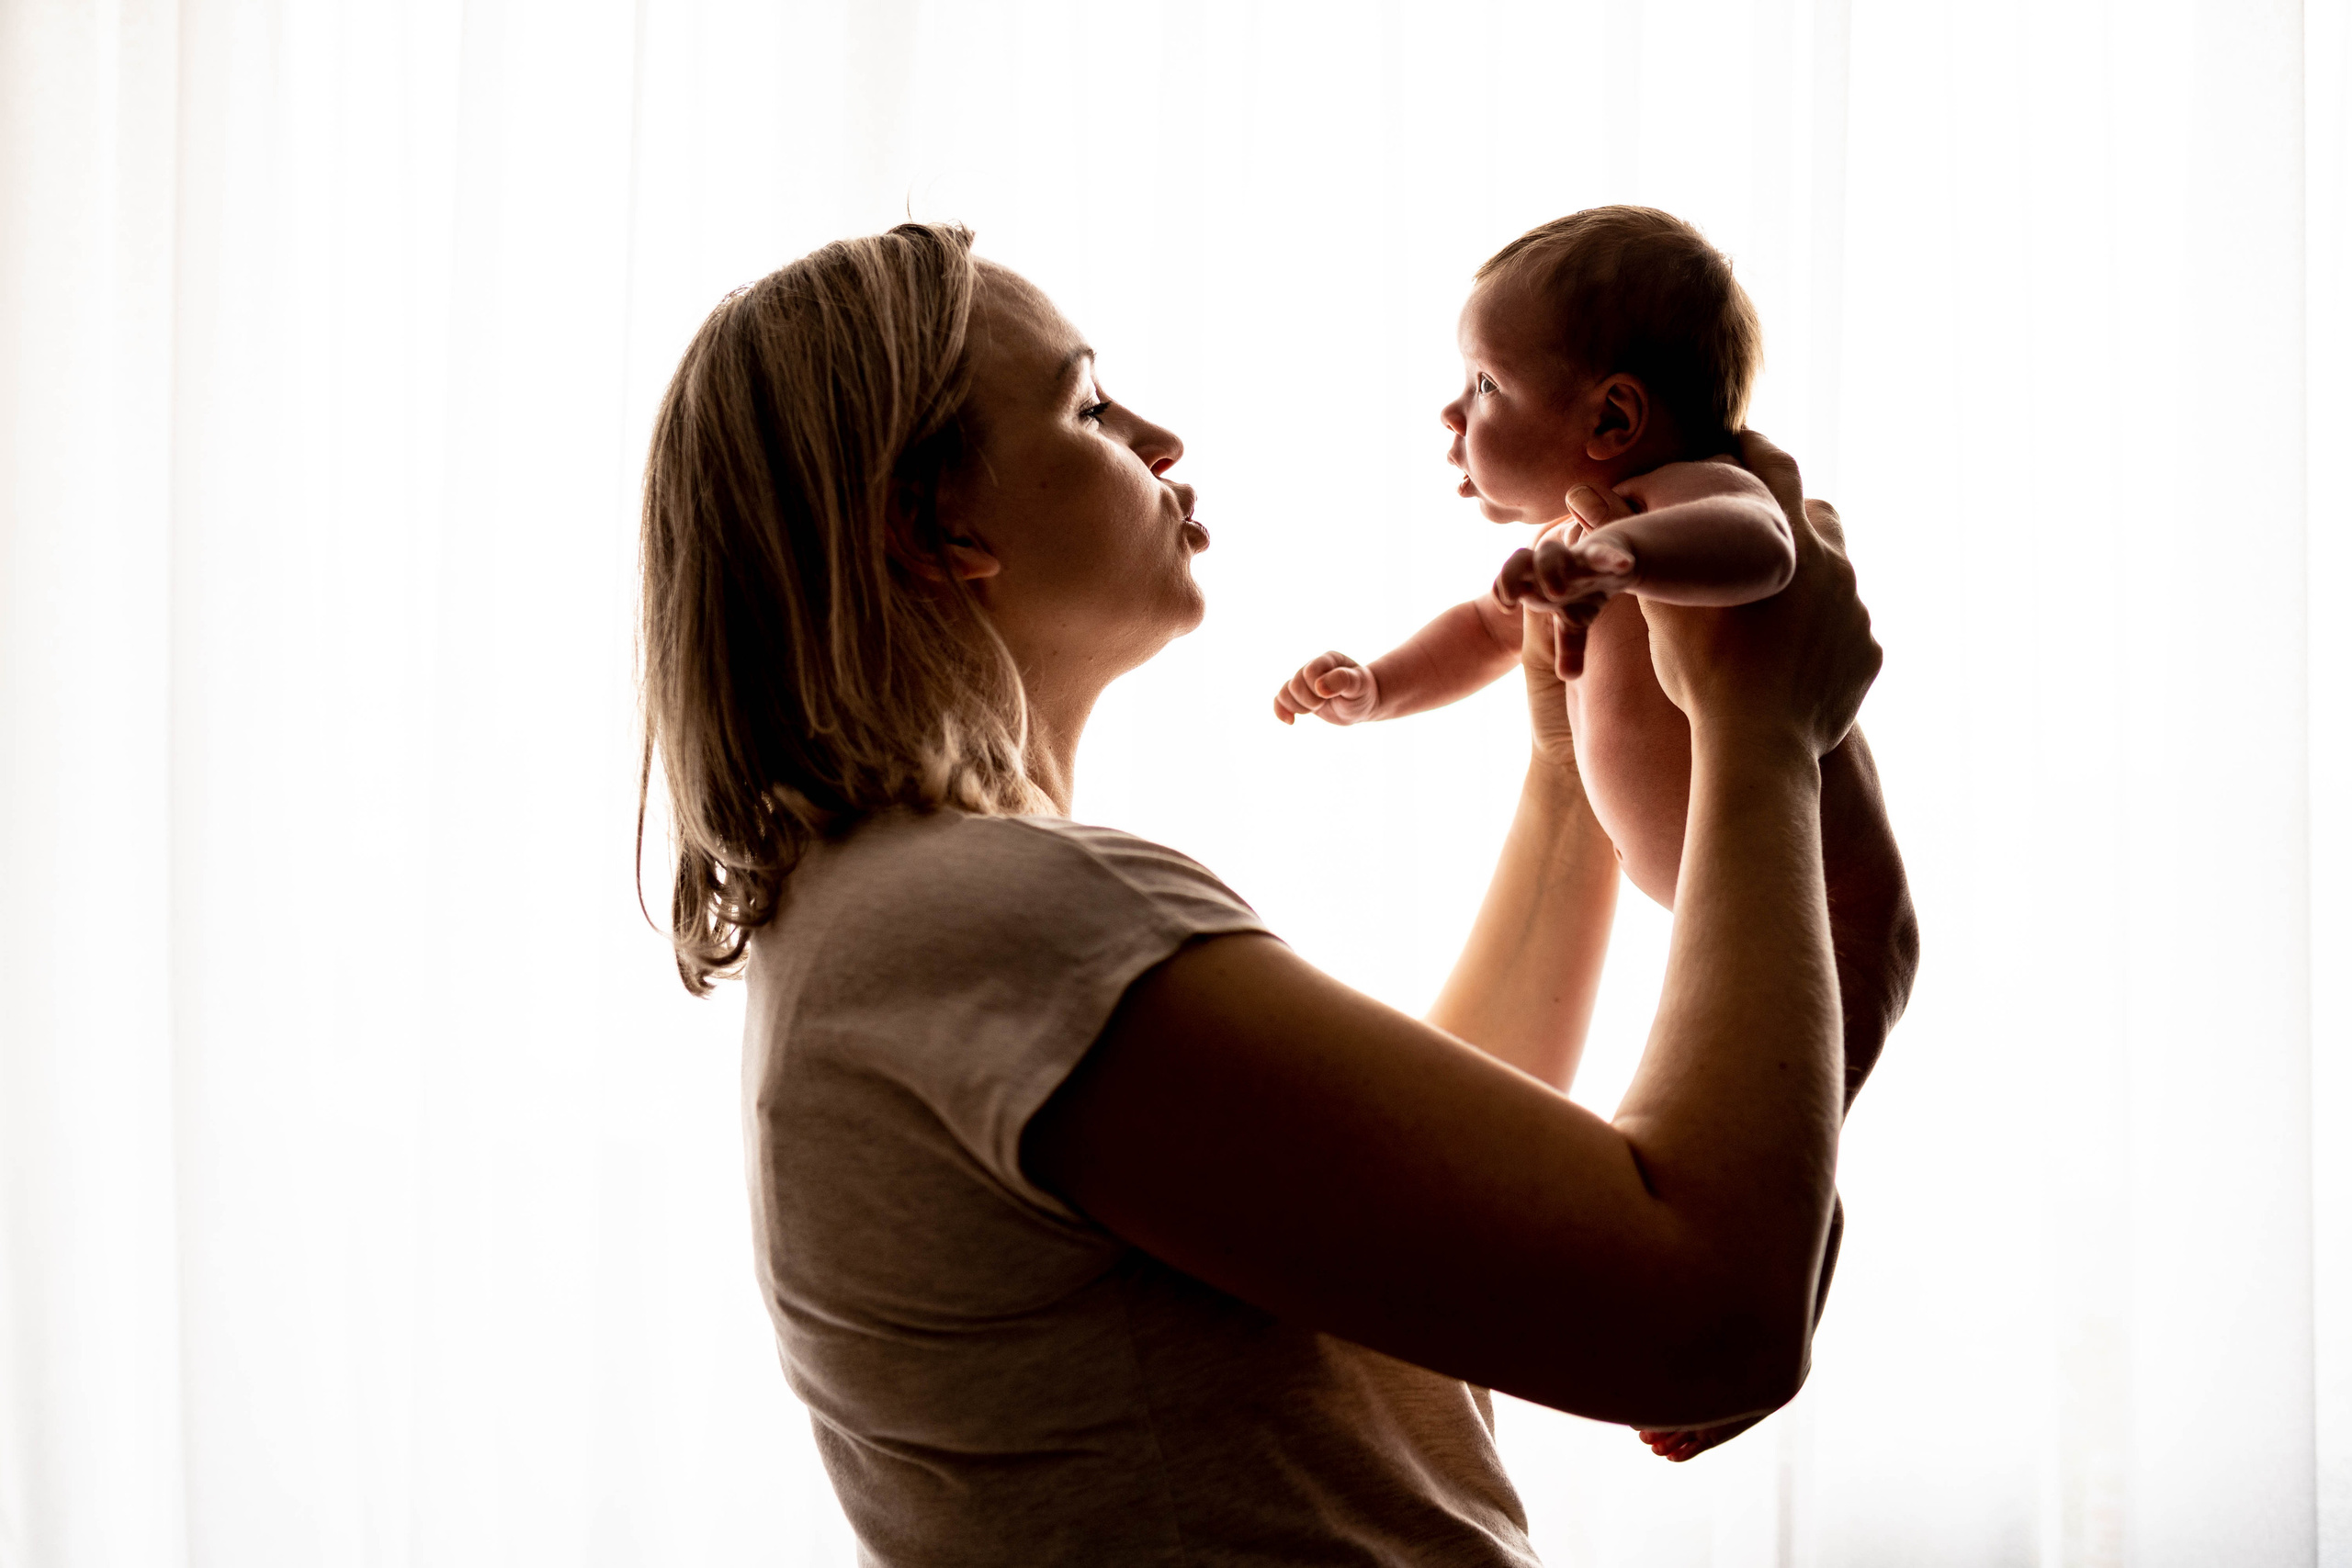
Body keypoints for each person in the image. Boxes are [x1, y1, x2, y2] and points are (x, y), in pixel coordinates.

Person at [638, 221, 1885, 1564]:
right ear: (940, 523)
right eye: (1089, 404)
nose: (1161, 437)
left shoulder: (909, 919)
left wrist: (1563, 758)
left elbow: (1437, 1186)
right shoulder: (991, 921)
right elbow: (1710, 1321)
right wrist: (1764, 729)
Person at [1275, 210, 1919, 1461]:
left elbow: (1762, 545)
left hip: (1838, 914)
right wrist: (1372, 687)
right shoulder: (1566, 547)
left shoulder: (1687, 500)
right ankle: (1740, 1299)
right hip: (1736, 902)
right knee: (1724, 1145)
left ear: (1613, 423)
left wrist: (1620, 553)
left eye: (1483, 384)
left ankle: (1754, 1318)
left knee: (1776, 1148)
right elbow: (1475, 635)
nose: (1451, 419)